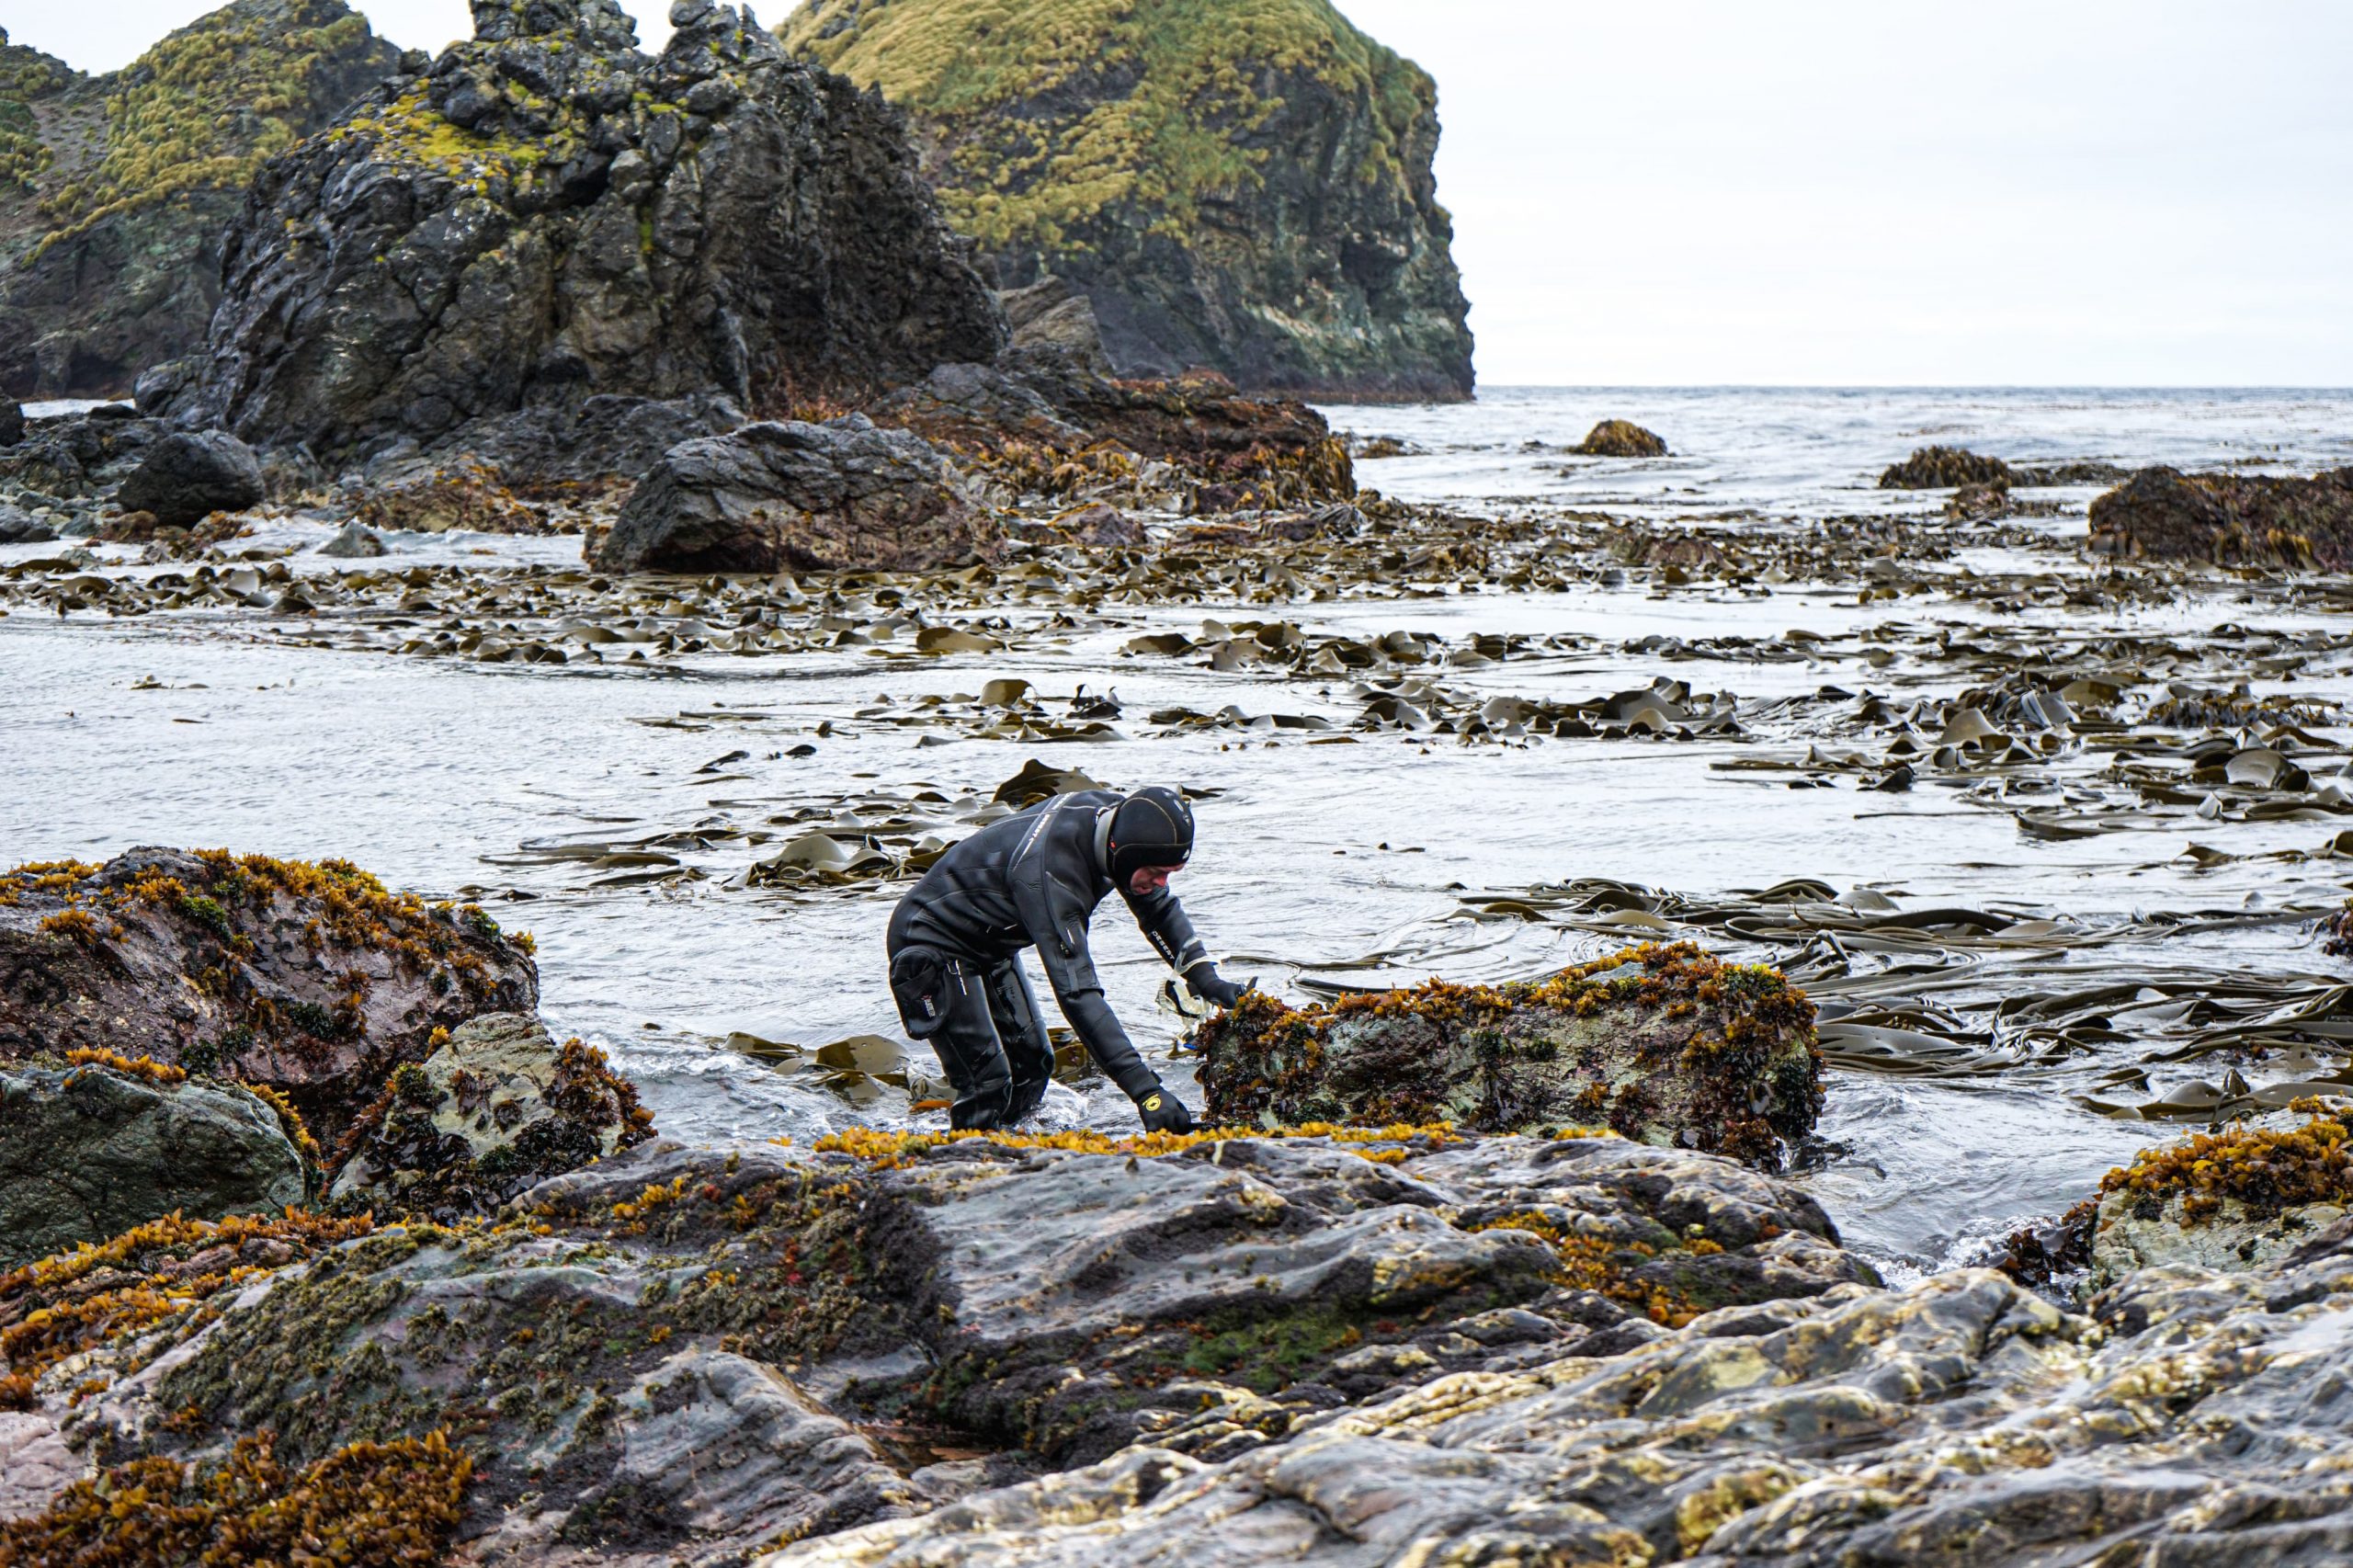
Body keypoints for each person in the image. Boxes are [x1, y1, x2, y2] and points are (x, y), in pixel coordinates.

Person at [885, 785, 1246, 1131]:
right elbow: (1078, 994)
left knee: (1034, 1064)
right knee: (987, 1082)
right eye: (1156, 872)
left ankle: (1009, 1151)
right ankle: (964, 1167)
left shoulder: (1118, 826)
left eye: (1169, 874)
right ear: (1127, 854)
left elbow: (1159, 910)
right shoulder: (1053, 873)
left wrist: (1205, 977)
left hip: (991, 945)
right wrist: (1147, 1093)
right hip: (931, 943)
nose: (1162, 882)